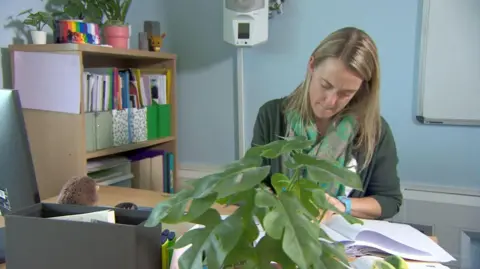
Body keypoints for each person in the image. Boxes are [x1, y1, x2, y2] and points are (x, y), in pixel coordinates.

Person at [251, 27, 402, 220]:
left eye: (345, 93)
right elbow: (256, 183)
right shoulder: (271, 115)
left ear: (362, 88)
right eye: (325, 85)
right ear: (312, 66)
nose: (330, 101)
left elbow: (389, 201)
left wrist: (341, 205)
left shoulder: (374, 131)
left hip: (339, 241)